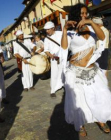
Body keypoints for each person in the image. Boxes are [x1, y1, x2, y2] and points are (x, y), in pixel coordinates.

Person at [61, 3, 111, 137]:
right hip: (75, 71)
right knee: (79, 99)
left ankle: (101, 120)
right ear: (76, 15)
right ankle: (80, 124)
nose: (84, 15)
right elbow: (64, 47)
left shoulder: (91, 28)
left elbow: (102, 37)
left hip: (92, 70)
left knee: (101, 95)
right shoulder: (70, 31)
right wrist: (64, 30)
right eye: (81, 13)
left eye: (85, 13)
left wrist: (90, 22)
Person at [43, 21, 63, 97]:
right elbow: (46, 50)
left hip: (63, 57)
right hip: (54, 59)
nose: (47, 31)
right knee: (54, 74)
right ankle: (53, 90)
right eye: (46, 30)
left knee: (63, 72)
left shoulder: (60, 33)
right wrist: (51, 55)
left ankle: (63, 86)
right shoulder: (46, 39)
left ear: (53, 28)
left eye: (48, 29)